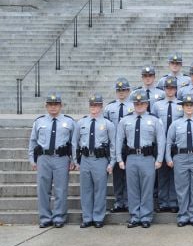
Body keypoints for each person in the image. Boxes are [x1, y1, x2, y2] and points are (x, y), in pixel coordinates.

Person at [116, 89, 165, 228]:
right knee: (132, 189)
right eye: (137, 103)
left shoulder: (154, 120)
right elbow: (119, 140)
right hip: (131, 158)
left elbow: (161, 140)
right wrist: (119, 159)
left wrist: (159, 159)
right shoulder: (125, 120)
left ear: (147, 104)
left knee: (147, 189)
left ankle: (146, 216)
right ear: (133, 104)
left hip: (147, 158)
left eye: (142, 103)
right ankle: (134, 216)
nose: (139, 105)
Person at [29, 92, 76, 228]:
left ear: (61, 106)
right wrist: (32, 160)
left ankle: (59, 217)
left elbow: (73, 143)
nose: (53, 107)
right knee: (43, 189)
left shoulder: (69, 121)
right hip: (43, 158)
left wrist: (73, 160)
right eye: (50, 104)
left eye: (56, 104)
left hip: (61, 158)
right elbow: (33, 141)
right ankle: (45, 218)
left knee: (61, 190)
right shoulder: (39, 121)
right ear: (46, 106)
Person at [166, 94, 193, 227]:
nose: (189, 108)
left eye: (191, 105)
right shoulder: (176, 124)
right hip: (180, 158)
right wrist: (168, 158)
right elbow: (169, 142)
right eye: (186, 105)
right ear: (183, 107)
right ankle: (183, 216)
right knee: (181, 188)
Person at [74, 94, 115, 228]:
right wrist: (76, 161)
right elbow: (75, 143)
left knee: (100, 190)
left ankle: (98, 217)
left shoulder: (107, 124)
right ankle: (87, 217)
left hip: (100, 160)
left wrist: (111, 163)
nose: (94, 108)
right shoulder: (81, 123)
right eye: (92, 105)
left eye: (97, 105)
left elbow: (113, 144)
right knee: (85, 190)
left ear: (101, 106)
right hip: (85, 159)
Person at [151, 77, 183, 213]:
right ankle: (163, 202)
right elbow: (153, 124)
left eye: (172, 88)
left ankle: (174, 201)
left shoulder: (181, 105)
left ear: (176, 89)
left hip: (176, 143)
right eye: (167, 88)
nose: (170, 90)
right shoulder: (157, 105)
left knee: (175, 174)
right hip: (161, 142)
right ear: (164, 89)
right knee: (162, 173)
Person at [104, 77, 133, 213]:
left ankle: (127, 201)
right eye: (119, 90)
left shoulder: (134, 106)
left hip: (129, 145)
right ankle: (118, 201)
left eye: (124, 90)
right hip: (115, 145)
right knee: (117, 176)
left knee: (129, 175)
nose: (121, 92)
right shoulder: (110, 107)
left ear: (129, 91)